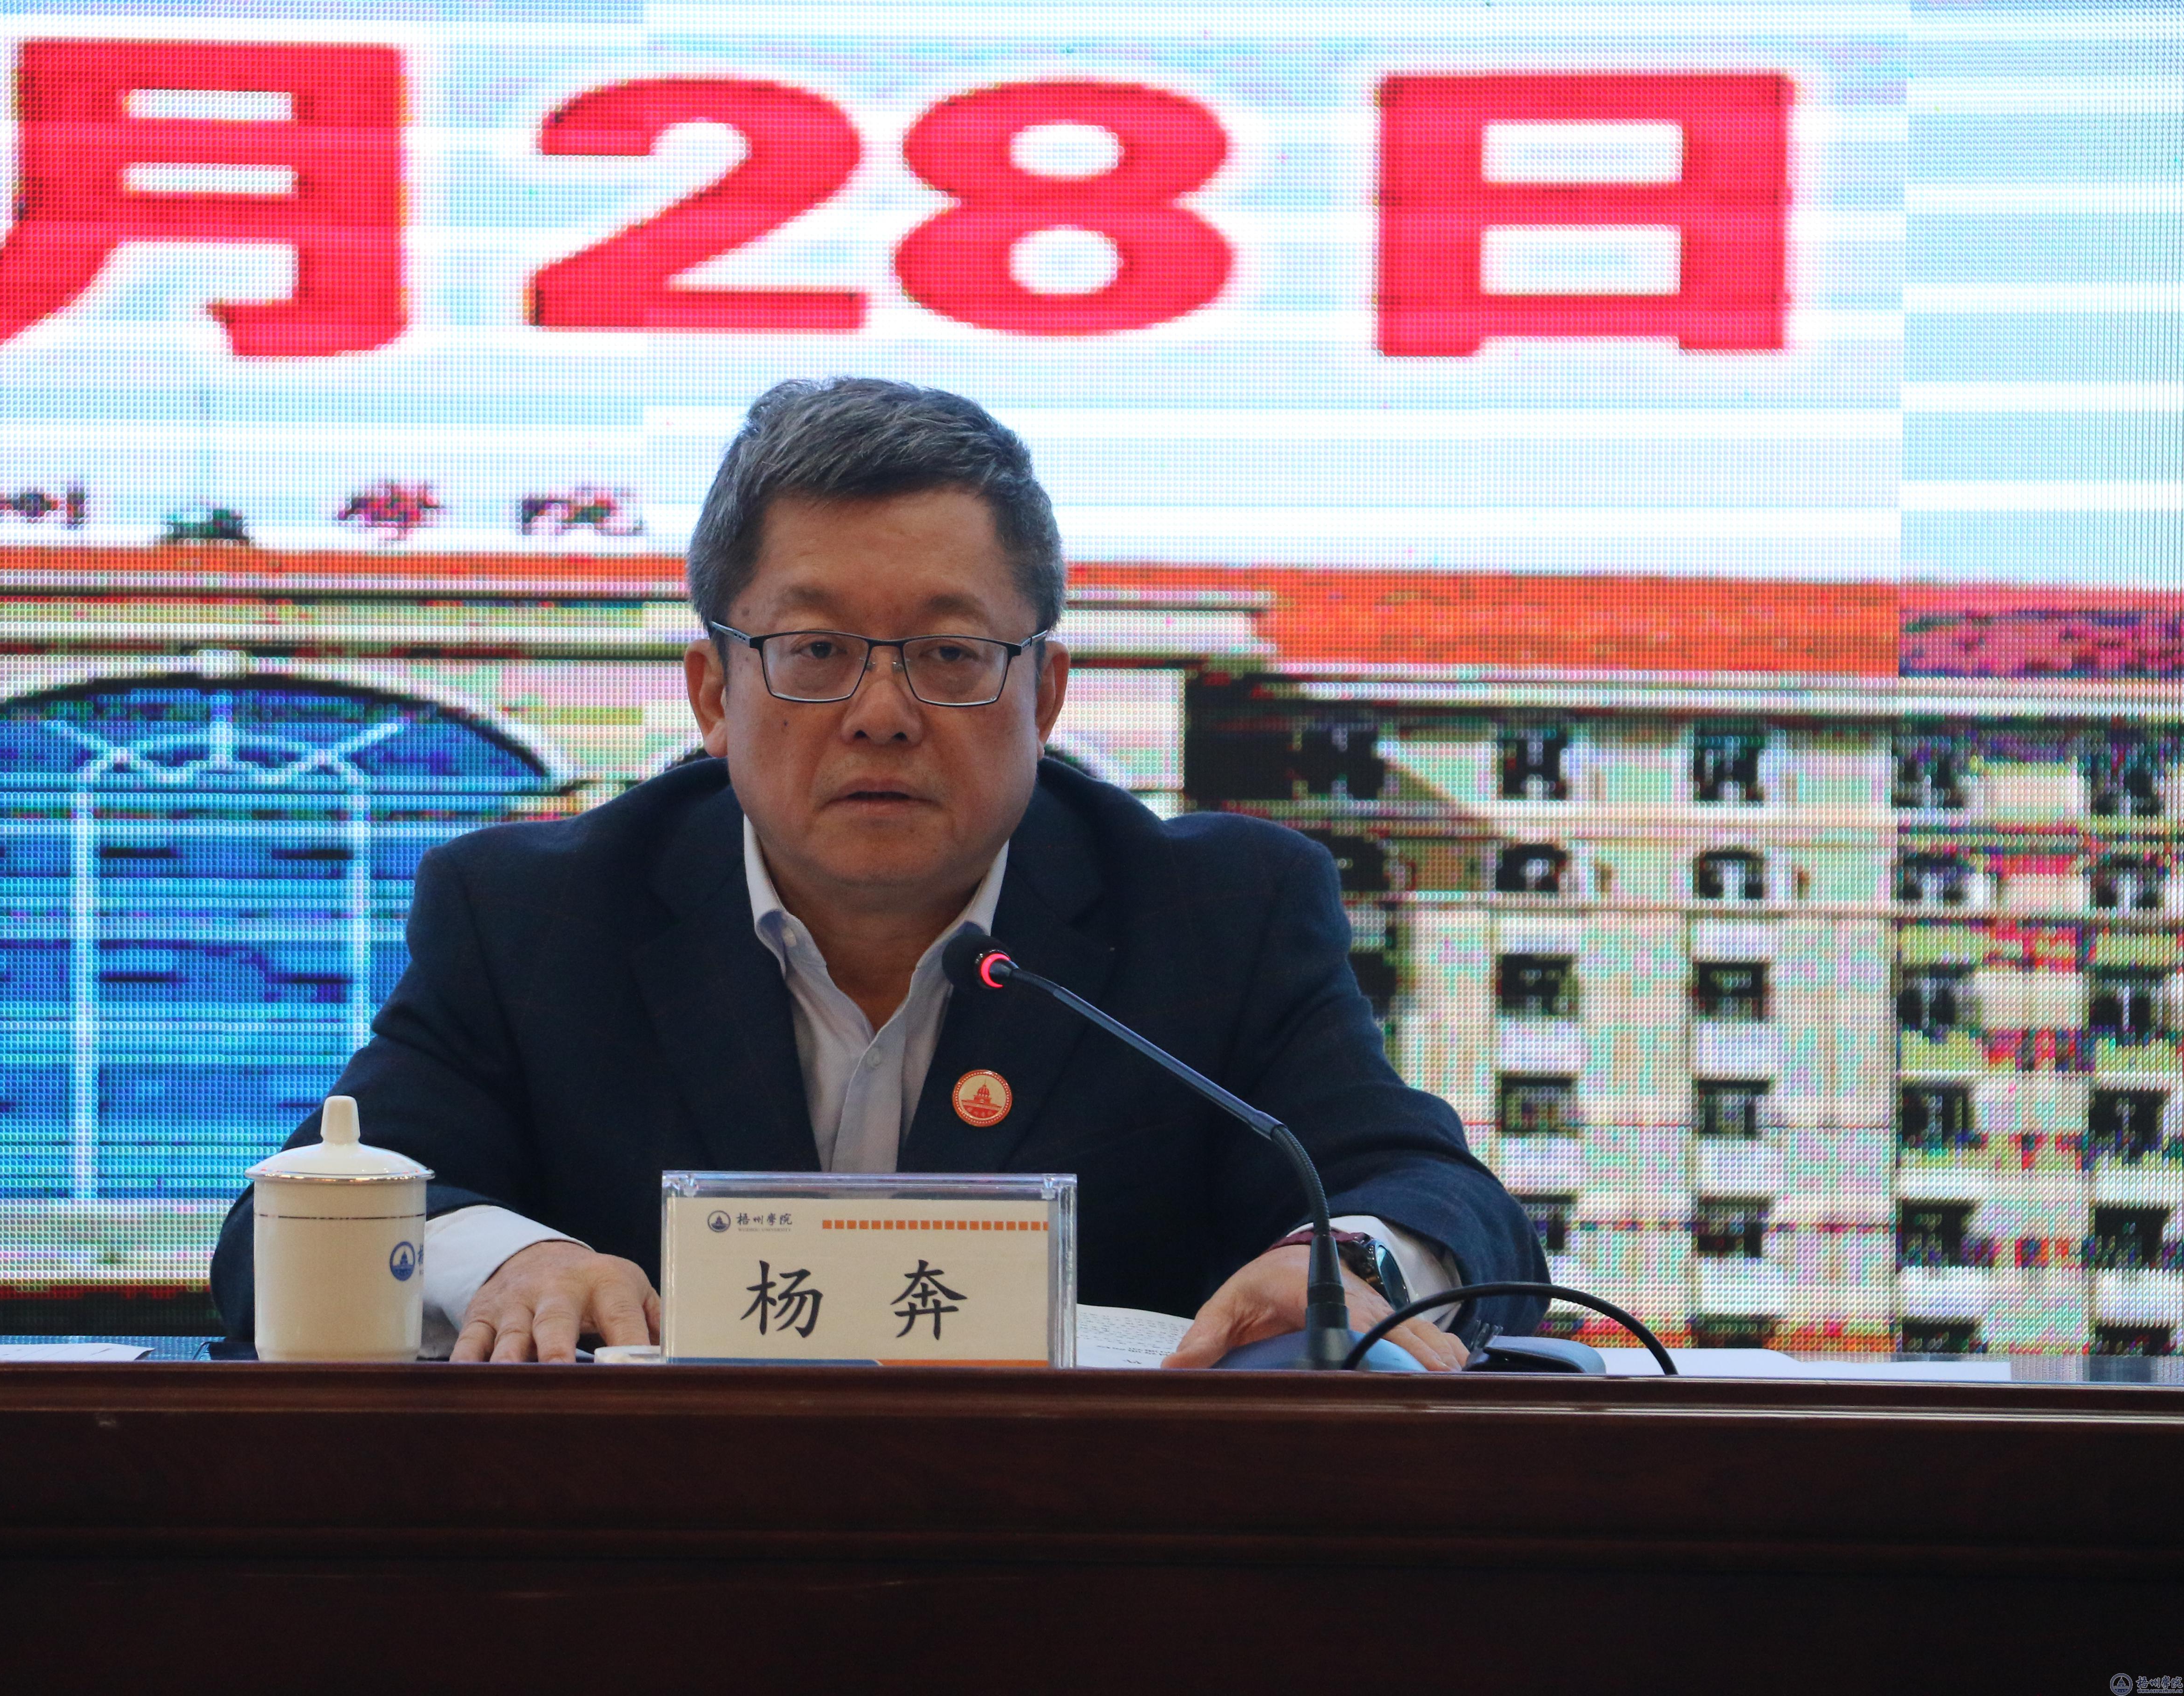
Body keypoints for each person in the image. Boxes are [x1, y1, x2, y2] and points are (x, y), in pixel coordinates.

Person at [210, 378, 1545, 1368]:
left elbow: (1436, 1198)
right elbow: (279, 1234)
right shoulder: (534, 912)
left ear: (1047, 694)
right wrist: (514, 1262)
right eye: (816, 653)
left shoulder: (1219, 912)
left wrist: (1344, 1263)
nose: (883, 715)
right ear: (713, 694)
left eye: (952, 656)